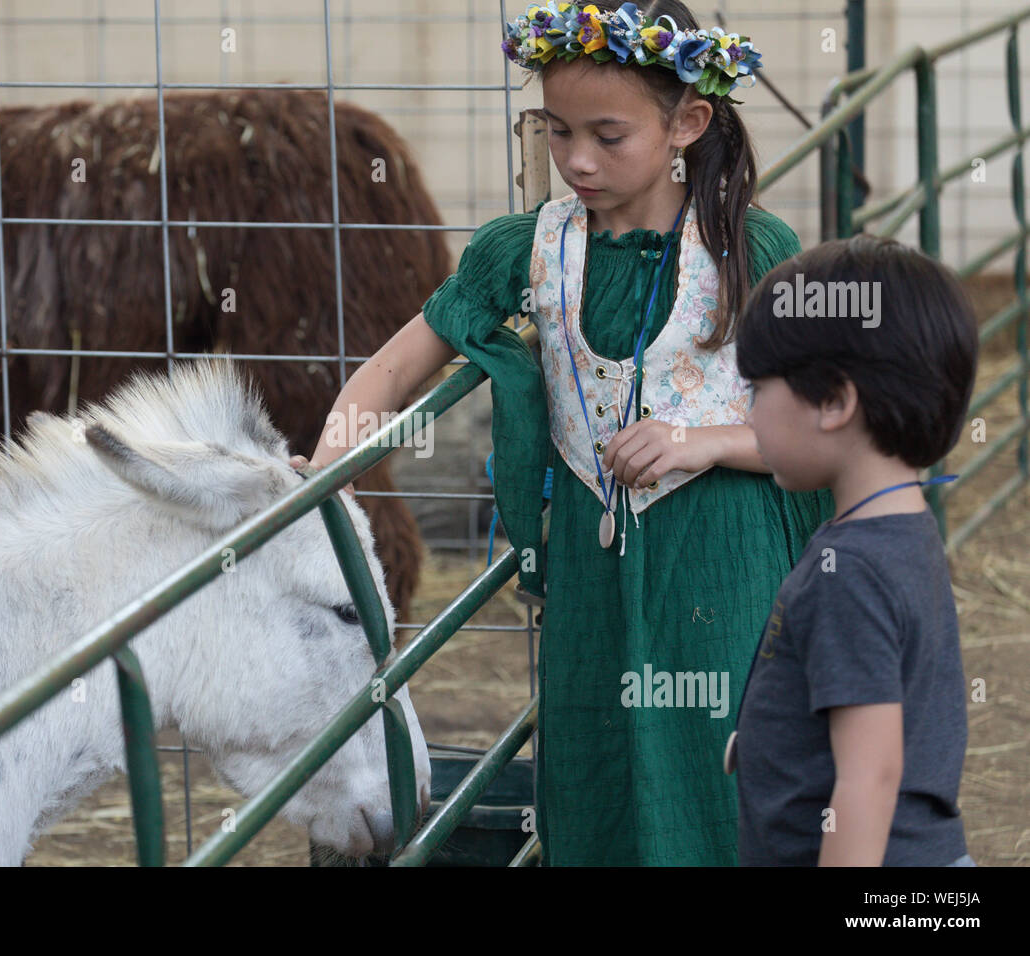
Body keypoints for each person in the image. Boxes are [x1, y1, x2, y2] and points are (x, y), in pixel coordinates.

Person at [299, 0, 833, 865]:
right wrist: (324, 477)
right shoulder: (523, 250)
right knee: (593, 770)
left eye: (608, 136)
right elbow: (395, 369)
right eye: (557, 131)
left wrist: (704, 441)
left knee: (720, 766)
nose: (577, 160)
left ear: (688, 123)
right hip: (590, 569)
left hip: (723, 562)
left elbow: (822, 422)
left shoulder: (751, 246)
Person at [731, 234, 978, 866]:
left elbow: (869, 777)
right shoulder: (901, 531)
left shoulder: (853, 573)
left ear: (835, 401)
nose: (749, 413)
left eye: (759, 389)